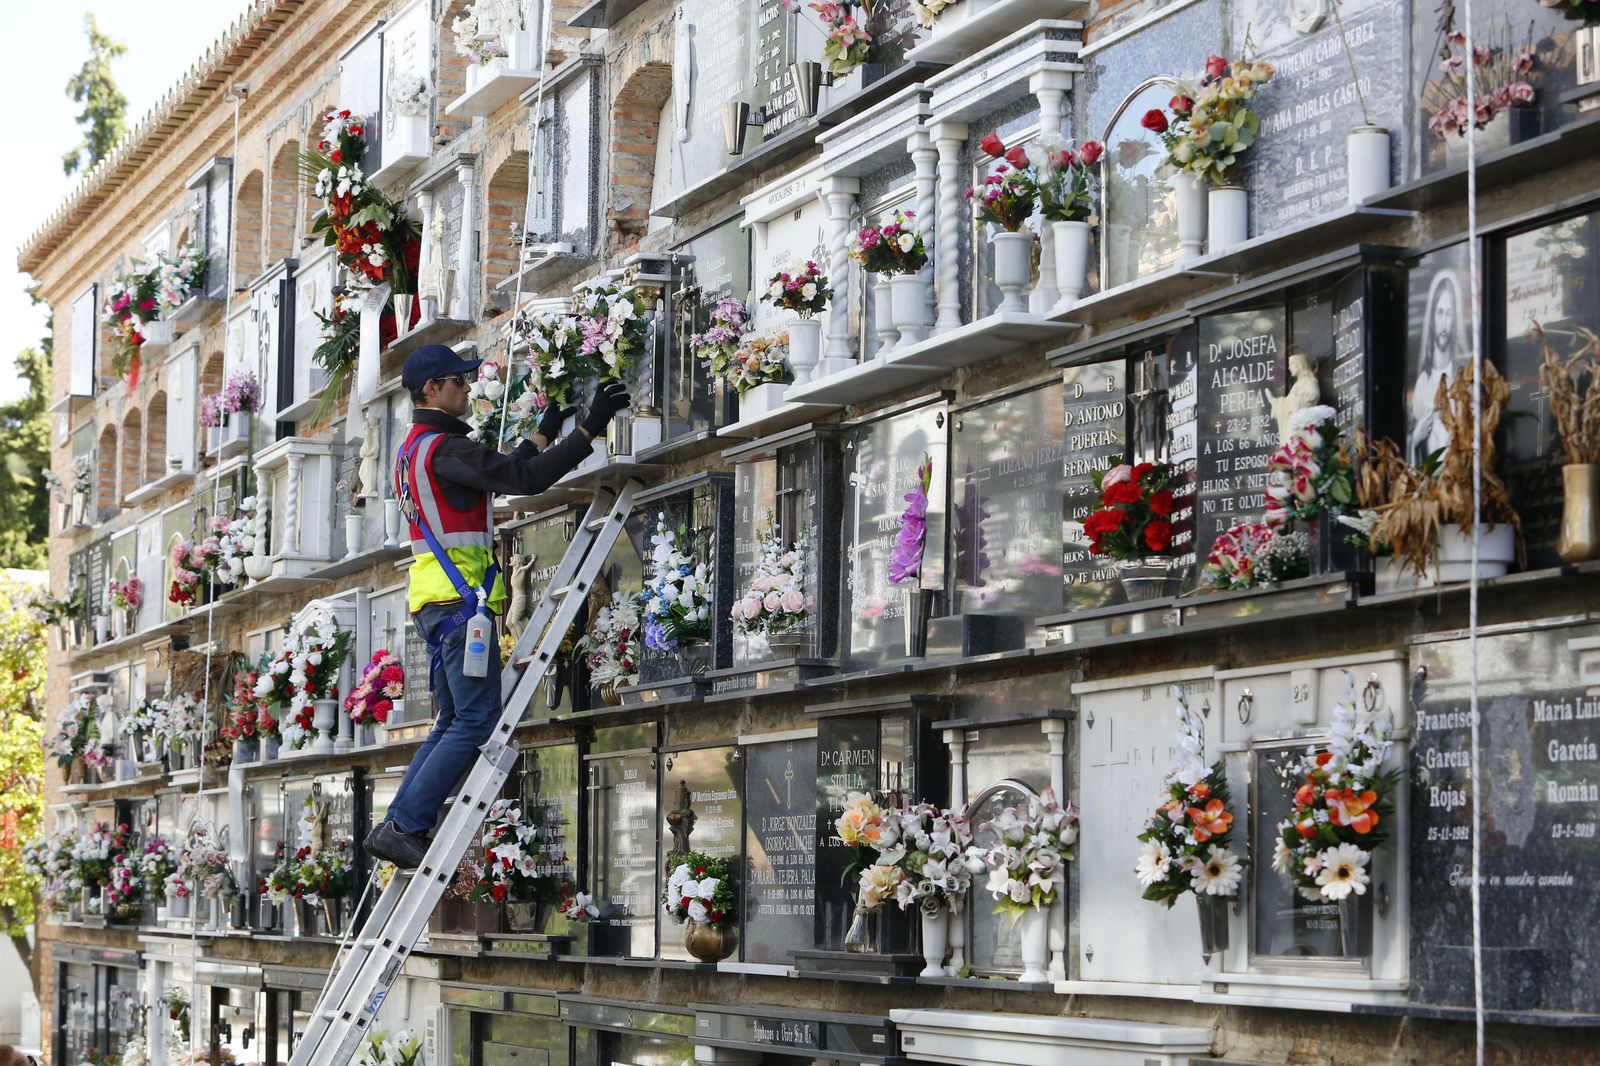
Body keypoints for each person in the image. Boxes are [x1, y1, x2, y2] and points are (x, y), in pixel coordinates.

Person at [365, 344, 630, 869]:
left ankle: (397, 824)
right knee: (476, 721)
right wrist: (589, 430)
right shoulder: (443, 447)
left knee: (451, 722)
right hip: (464, 607)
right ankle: (408, 823)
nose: (467, 387)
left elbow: (502, 468)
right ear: (430, 390)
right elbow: (522, 481)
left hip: (438, 604)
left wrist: (547, 430)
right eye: (458, 381)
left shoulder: (417, 448)